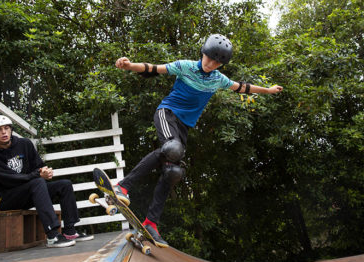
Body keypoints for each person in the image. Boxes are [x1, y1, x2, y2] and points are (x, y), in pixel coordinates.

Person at [114, 34, 283, 247]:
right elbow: (153, 69)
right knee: (172, 149)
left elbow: (242, 87)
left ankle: (151, 223)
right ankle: (122, 186)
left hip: (183, 127)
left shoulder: (218, 79)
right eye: (209, 58)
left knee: (173, 172)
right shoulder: (185, 67)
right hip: (167, 114)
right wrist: (129, 66)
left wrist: (267, 90)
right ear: (203, 52)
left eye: (217, 62)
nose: (211, 64)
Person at [0, 115, 94, 248]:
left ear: (11, 130)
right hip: (6, 198)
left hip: (28, 192)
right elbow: (8, 179)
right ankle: (52, 236)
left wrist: (45, 172)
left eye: (6, 128)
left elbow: (38, 166)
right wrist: (37, 175)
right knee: (37, 182)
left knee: (64, 185)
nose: (4, 132)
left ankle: (70, 231)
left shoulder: (24, 144)